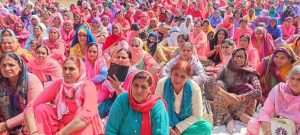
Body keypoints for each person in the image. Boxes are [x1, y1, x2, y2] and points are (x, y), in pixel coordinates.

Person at [24, 56, 103, 135]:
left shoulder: (88, 86)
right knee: (41, 109)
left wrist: (61, 133)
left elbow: (86, 116)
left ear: (80, 71)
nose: (67, 72)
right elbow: (32, 104)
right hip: (62, 125)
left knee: (81, 111)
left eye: (71, 69)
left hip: (81, 127)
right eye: (65, 68)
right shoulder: (59, 84)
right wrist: (34, 132)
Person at [206, 48, 261, 133]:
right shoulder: (226, 68)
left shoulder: (250, 71)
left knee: (250, 88)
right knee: (219, 83)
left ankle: (230, 116)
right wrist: (227, 95)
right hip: (225, 101)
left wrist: (238, 98)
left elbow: (258, 91)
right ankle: (228, 119)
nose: (239, 59)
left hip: (241, 105)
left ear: (245, 58)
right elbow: (211, 82)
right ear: (232, 57)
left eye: (241, 57)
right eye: (236, 56)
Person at [156, 61, 212, 135]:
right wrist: (169, 129)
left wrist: (178, 129)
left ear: (188, 77)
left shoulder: (194, 88)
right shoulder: (162, 83)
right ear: (171, 73)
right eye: (175, 74)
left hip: (185, 122)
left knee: (205, 127)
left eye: (183, 77)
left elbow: (197, 115)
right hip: (165, 121)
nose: (178, 80)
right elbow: (156, 109)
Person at [105, 70, 169, 135]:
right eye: (136, 85)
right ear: (131, 85)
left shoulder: (157, 106)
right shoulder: (122, 100)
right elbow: (111, 130)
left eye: (143, 87)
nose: (139, 90)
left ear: (150, 88)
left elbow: (161, 132)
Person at [247, 65, 300, 135]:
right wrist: (268, 132)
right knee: (252, 124)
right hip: (275, 124)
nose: (294, 82)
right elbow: (265, 111)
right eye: (292, 78)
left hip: (296, 128)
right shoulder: (278, 90)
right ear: (288, 78)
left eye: (299, 79)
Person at [0, 52, 43, 134]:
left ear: (20, 66)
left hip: (29, 120)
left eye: (11, 65)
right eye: (3, 65)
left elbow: (32, 109)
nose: (7, 68)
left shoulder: (31, 80)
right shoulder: (1, 83)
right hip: (5, 122)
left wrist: (7, 125)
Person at [98, 48, 138, 118]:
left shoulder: (134, 74)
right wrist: (95, 101)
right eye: (118, 57)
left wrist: (118, 89)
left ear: (130, 61)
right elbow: (105, 90)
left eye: (123, 58)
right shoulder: (114, 69)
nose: (120, 60)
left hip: (126, 107)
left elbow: (132, 98)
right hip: (111, 103)